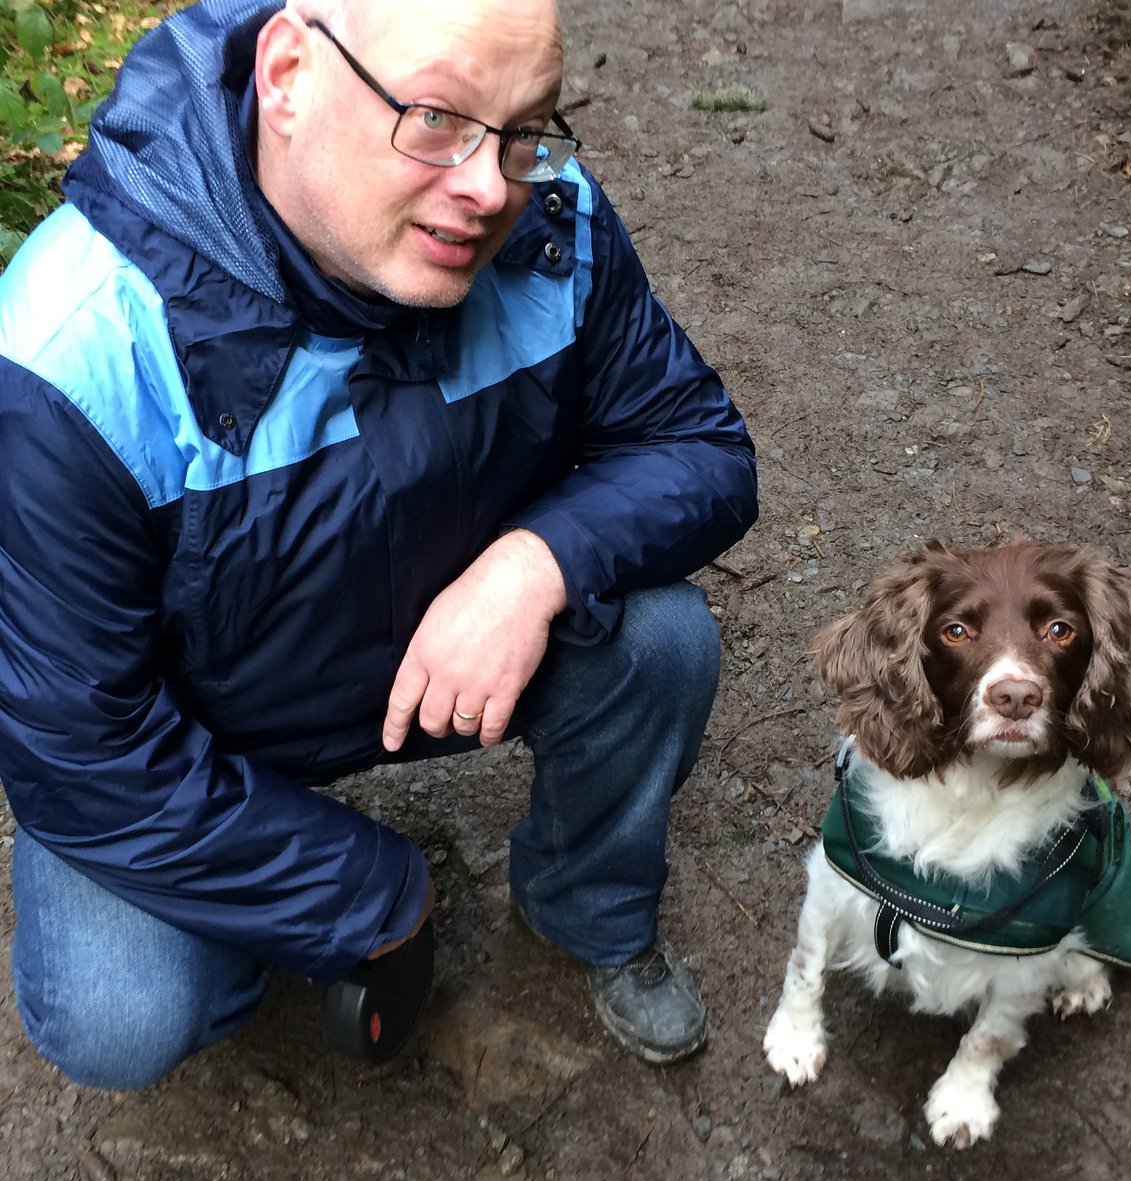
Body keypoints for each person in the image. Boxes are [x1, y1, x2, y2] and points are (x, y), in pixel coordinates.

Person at [0, 0, 757, 1089]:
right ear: (291, 75)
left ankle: (589, 904)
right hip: (200, 729)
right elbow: (81, 752)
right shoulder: (73, 353)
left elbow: (701, 446)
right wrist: (367, 889)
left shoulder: (552, 222)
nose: (491, 187)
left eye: (524, 126)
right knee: (121, 1015)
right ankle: (251, 942)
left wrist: (532, 564)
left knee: (663, 639)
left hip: (439, 661)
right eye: (437, 117)